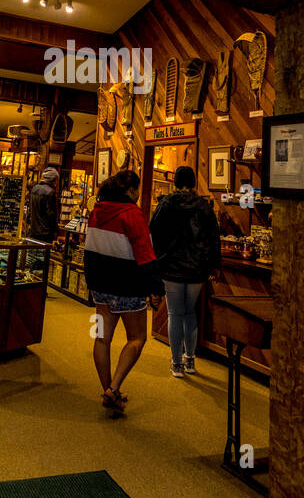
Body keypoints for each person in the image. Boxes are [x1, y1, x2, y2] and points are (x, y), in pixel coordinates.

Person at [83, 169, 163, 414]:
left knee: (101, 338)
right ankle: (114, 387)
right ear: (130, 191)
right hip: (127, 285)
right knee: (137, 338)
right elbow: (145, 254)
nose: (139, 194)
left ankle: (109, 389)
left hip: (99, 285)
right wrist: (156, 288)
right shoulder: (132, 214)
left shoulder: (97, 211)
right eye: (137, 189)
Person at [149, 166, 220, 378]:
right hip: (197, 268)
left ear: (175, 182)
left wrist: (159, 258)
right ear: (194, 183)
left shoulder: (167, 204)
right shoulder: (205, 207)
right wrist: (213, 264)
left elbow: (154, 231)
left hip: (171, 268)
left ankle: (176, 363)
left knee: (174, 313)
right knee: (190, 314)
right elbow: (214, 237)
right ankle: (190, 359)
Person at [27, 167, 61, 243]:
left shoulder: (34, 189)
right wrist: (56, 230)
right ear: (53, 180)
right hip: (45, 233)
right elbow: (51, 215)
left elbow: (30, 210)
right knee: (43, 253)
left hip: (33, 230)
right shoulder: (50, 192)